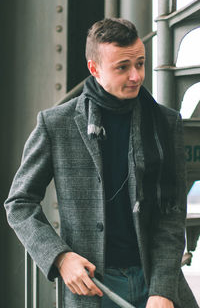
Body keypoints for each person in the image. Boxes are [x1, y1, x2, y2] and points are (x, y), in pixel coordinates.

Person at [4, 18, 199, 308]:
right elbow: (19, 202)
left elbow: (171, 214)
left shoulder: (165, 122)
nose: (136, 76)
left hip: (155, 281)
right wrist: (60, 257)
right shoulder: (56, 124)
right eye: (122, 67)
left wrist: (162, 290)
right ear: (94, 69)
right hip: (93, 288)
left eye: (141, 63)